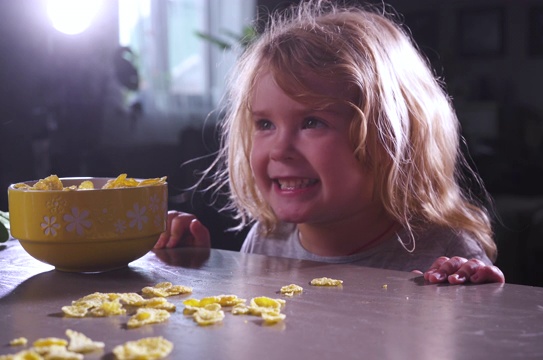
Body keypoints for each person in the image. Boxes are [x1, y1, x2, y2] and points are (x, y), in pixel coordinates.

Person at [155, 0, 505, 285]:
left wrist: (474, 292)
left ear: (390, 138)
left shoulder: (445, 250)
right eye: (265, 124)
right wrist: (191, 268)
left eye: (312, 122)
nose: (279, 150)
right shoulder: (267, 240)